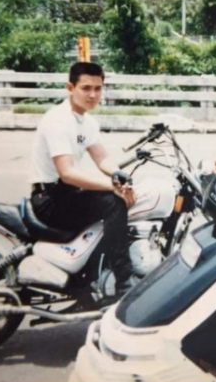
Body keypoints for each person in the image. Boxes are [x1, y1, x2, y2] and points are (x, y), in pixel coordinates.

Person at [30, 61, 138, 296]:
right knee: (113, 203)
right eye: (86, 88)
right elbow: (67, 173)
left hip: (65, 194)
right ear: (70, 88)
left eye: (98, 89)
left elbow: (102, 158)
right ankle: (124, 281)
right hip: (49, 199)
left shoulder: (87, 122)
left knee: (113, 197)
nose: (93, 95)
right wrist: (112, 188)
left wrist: (119, 175)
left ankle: (94, 273)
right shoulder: (58, 120)